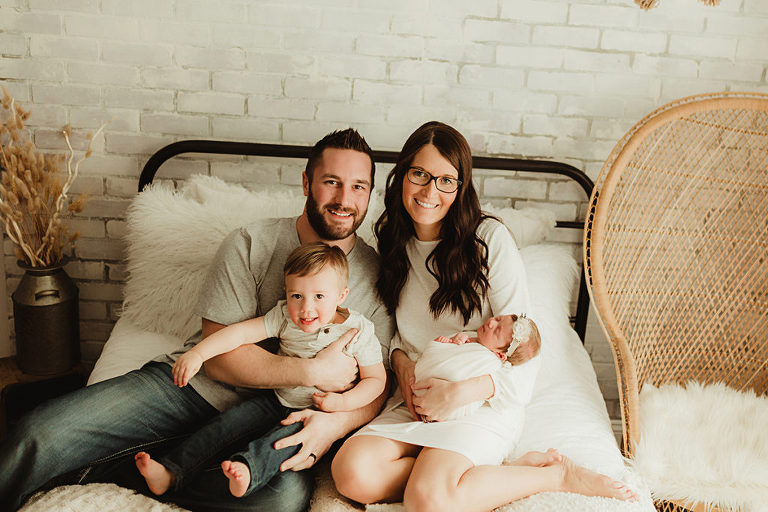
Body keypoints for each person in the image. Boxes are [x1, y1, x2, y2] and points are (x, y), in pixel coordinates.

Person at [0, 128, 394, 512]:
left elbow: (380, 382)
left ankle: (138, 470)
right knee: (41, 435)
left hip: (284, 418)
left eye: (359, 186)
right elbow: (221, 360)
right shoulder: (250, 242)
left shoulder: (374, 275)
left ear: (370, 194)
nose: (345, 198)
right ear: (306, 183)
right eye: (331, 181)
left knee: (278, 500)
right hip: (194, 389)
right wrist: (310, 372)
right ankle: (123, 462)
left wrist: (334, 426)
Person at [331, 121, 636, 512]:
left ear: (460, 188)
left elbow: (523, 346)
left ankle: (554, 474)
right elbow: (398, 335)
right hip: (418, 397)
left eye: (446, 180)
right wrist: (403, 367)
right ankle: (481, 473)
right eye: (420, 174)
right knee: (352, 473)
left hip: (479, 402)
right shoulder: (392, 239)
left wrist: (458, 393)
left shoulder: (488, 240)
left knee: (429, 501)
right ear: (402, 175)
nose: (429, 191)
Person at [134, 242, 386, 499]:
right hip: (276, 399)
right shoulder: (284, 317)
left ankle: (248, 469)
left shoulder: (358, 331)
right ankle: (171, 471)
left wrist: (343, 402)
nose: (306, 308)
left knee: (281, 443)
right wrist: (199, 353)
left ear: (341, 296)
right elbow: (240, 333)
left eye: (319, 297)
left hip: (316, 413)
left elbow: (376, 380)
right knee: (225, 425)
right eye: (296, 296)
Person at [412, 313, 540, 422]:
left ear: (501, 355)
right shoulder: (471, 336)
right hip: (420, 384)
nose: (491, 323)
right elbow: (445, 353)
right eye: (498, 319)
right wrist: (449, 343)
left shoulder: (491, 362)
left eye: (497, 331)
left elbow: (458, 373)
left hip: (442, 404)